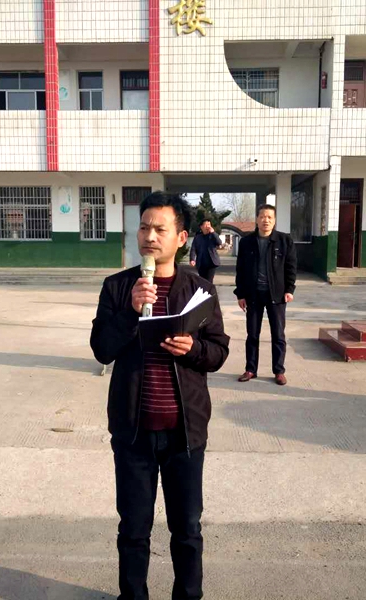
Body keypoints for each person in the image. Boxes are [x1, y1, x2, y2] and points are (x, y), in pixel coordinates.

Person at [90, 191, 230, 599]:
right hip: (133, 433)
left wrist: (194, 349)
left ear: (181, 238)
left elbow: (219, 352)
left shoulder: (200, 290)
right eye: (144, 227)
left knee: (187, 529)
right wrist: (130, 311)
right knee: (133, 530)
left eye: (160, 229)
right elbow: (101, 349)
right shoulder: (118, 287)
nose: (150, 236)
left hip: (184, 434)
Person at [234, 203, 297, 386]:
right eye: (262, 216)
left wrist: (289, 290)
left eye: (269, 217)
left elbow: (291, 267)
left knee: (278, 335)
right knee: (252, 335)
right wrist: (240, 294)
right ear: (257, 219)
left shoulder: (284, 241)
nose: (266, 220)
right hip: (253, 295)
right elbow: (240, 270)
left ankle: (279, 371)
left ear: (274, 220)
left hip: (276, 295)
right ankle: (250, 369)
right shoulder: (247, 242)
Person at [189, 219, 222, 283]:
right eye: (206, 224)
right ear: (201, 227)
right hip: (201, 263)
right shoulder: (197, 237)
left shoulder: (213, 235)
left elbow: (219, 242)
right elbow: (193, 249)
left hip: (211, 262)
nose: (208, 226)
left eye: (209, 224)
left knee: (209, 281)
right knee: (202, 281)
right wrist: (192, 259)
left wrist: (213, 233)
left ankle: (209, 289)